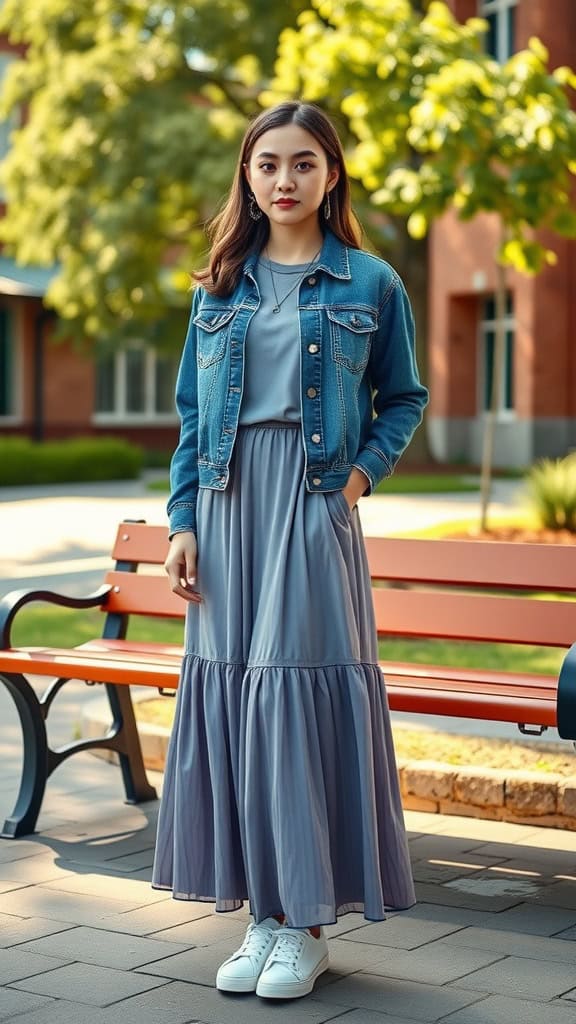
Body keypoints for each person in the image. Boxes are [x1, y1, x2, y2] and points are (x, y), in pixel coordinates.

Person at [152, 100, 428, 1001]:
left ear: (331, 173)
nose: (283, 180)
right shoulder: (216, 288)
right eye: (267, 164)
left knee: (293, 698)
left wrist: (358, 481)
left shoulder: (370, 283)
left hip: (312, 506)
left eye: (303, 163)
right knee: (237, 702)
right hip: (230, 509)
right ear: (248, 174)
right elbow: (194, 417)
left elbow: (404, 397)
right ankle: (261, 916)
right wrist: (182, 521)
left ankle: (305, 923)